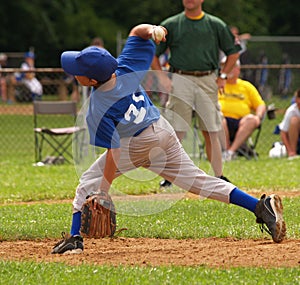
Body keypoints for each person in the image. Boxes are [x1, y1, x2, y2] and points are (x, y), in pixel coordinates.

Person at [51, 23, 285, 254]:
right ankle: (259, 206)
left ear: (92, 81)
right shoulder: (124, 67)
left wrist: (103, 191)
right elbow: (136, 32)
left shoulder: (97, 107)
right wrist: (152, 29)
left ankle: (75, 239)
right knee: (199, 181)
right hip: (161, 130)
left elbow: (115, 152)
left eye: (77, 72)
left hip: (136, 144)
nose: (73, 72)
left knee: (87, 182)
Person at [151, 0, 241, 188]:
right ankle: (170, 176)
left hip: (207, 78)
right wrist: (163, 78)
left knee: (211, 130)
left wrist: (223, 76)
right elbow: (153, 53)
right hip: (180, 77)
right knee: (177, 130)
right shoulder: (172, 24)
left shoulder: (215, 24)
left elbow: (233, 52)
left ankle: (219, 176)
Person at [218, 58, 266, 161]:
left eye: (231, 66)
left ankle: (230, 152)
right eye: (224, 66)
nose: (228, 69)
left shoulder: (246, 86)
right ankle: (225, 151)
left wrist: (258, 116)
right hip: (221, 121)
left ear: (238, 69)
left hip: (242, 123)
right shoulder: (218, 85)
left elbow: (260, 105)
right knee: (217, 117)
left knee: (252, 119)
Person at [279, 89, 300, 160]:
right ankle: (293, 153)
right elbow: (283, 133)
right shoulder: (292, 111)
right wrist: (290, 151)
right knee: (294, 120)